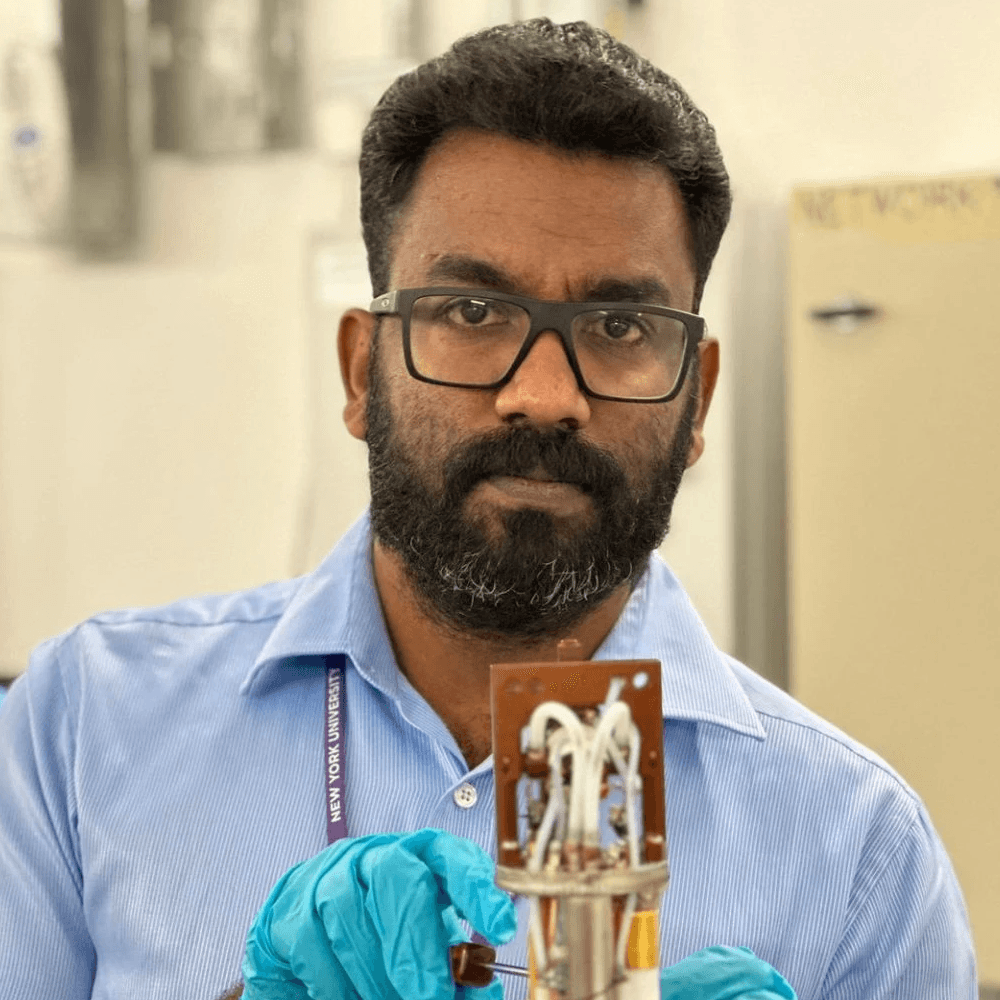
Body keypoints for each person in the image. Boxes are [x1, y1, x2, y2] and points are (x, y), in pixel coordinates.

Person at [0, 19, 975, 1000]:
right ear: (360, 370)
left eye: (620, 325)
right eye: (472, 312)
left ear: (698, 400)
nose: (545, 395)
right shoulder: (84, 732)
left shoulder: (859, 855)